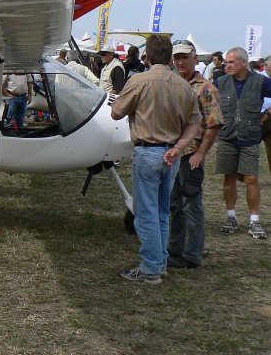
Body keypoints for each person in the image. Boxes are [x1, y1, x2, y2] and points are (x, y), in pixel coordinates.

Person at [111, 35, 201, 284]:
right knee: (162, 211)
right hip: (172, 153)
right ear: (170, 57)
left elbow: (116, 112)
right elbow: (195, 123)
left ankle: (150, 268)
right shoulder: (183, 85)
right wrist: (180, 146)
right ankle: (159, 263)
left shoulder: (139, 81)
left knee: (146, 214)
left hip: (148, 151)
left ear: (147, 57)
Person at [168, 40, 224, 269]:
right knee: (174, 205)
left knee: (191, 205)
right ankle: (175, 248)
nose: (180, 62)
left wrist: (201, 153)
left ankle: (192, 255)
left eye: (184, 57)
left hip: (190, 154)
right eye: (177, 58)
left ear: (195, 59)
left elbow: (214, 123)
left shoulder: (205, 88)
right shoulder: (172, 83)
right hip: (172, 153)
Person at [215, 47, 271, 239]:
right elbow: (209, 103)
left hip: (250, 138)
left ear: (243, 63)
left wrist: (267, 114)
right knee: (228, 178)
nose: (227, 65)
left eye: (231, 62)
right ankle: (231, 217)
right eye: (226, 62)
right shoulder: (220, 82)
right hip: (227, 138)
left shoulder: (260, 81)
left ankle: (254, 221)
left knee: (252, 179)